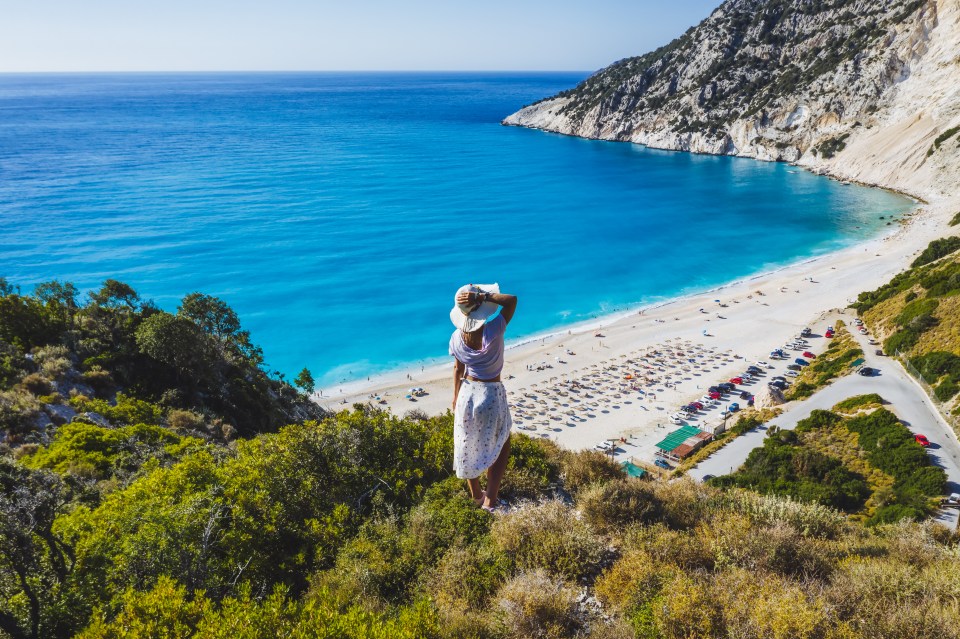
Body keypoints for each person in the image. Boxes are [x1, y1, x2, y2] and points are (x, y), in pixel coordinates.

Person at [449, 283, 517, 512]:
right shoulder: (494, 329)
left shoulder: (456, 338)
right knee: (502, 441)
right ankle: (490, 501)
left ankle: (477, 495)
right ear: (482, 309)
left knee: (467, 442)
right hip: (491, 392)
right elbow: (511, 300)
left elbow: (458, 370)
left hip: (467, 393)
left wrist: (455, 397)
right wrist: (483, 295)